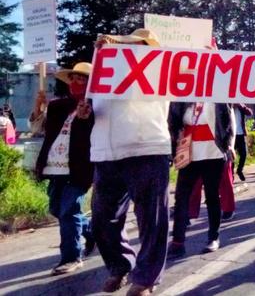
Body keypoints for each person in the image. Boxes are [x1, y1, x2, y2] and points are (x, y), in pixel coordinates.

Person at [89, 29, 172, 295]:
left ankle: (146, 279)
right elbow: (96, 105)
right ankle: (121, 265)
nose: (134, 50)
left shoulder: (164, 69)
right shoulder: (103, 65)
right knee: (102, 219)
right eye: (131, 45)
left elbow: (205, 72)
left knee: (151, 219)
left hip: (146, 148)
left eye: (140, 46)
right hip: (106, 153)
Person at [33, 62, 95, 275]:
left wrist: (85, 118)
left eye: (82, 79)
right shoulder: (57, 106)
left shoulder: (98, 107)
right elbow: (37, 128)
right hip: (54, 168)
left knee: (69, 211)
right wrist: (38, 106)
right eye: (73, 78)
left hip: (79, 170)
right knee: (57, 210)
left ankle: (71, 257)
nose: (76, 83)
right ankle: (91, 230)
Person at [167, 102, 234, 258]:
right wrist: (172, 147)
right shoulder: (182, 97)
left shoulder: (217, 97)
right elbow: (173, 122)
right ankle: (177, 242)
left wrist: (230, 145)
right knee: (181, 197)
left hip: (213, 153)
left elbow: (228, 121)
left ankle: (213, 237)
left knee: (212, 197)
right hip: (188, 152)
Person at [233, 104, 254, 181]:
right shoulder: (229, 106)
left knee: (244, 154)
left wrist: (240, 105)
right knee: (231, 156)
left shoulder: (241, 107)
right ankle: (231, 174)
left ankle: (239, 170)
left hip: (240, 134)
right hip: (232, 135)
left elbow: (250, 113)